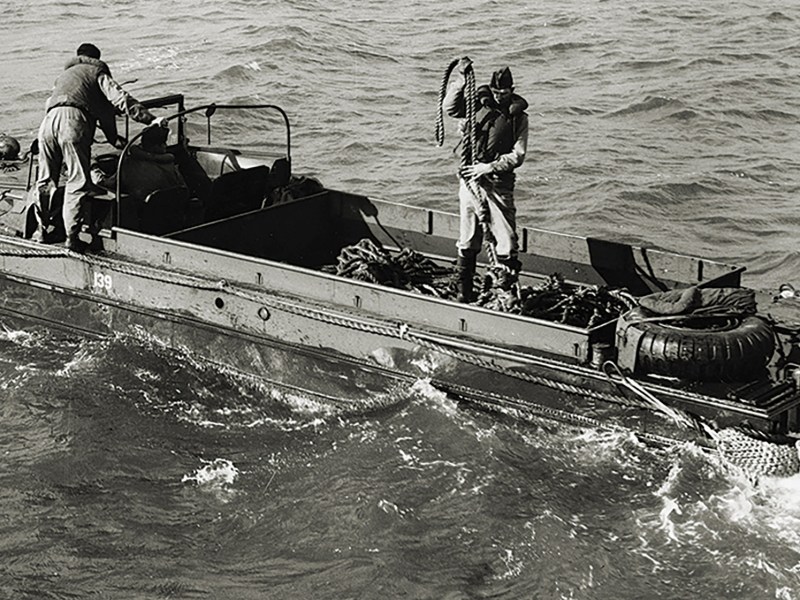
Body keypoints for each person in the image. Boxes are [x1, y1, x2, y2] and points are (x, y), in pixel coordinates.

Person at [34, 42, 166, 251]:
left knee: (46, 180)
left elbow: (65, 105)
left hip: (47, 123)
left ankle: (41, 231)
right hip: (72, 122)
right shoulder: (97, 72)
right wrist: (150, 119)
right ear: (96, 58)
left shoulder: (64, 77)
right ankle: (72, 237)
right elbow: (121, 99)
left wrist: (116, 139)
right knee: (78, 181)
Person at [443, 57, 529, 302]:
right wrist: (460, 80)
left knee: (506, 239)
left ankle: (506, 295)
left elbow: (518, 155)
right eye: (496, 92)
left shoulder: (519, 119)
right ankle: (464, 291)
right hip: (469, 182)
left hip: (498, 184)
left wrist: (489, 167)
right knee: (468, 236)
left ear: (512, 91)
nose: (500, 96)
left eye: (505, 92)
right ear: (490, 90)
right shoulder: (477, 106)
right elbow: (450, 108)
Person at [91, 123, 187, 229]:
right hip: (170, 217)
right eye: (164, 143)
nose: (165, 146)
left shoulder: (130, 164)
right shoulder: (170, 164)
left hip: (144, 218)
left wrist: (94, 169)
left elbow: (104, 183)